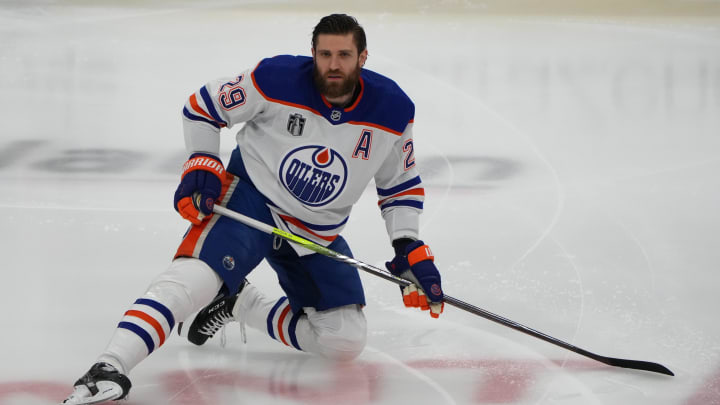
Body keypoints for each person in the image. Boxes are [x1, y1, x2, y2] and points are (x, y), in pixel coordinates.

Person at [61, 13, 443, 405]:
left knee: (344, 340)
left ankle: (239, 303)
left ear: (363, 57)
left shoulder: (393, 111)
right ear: (312, 54)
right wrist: (202, 162)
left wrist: (407, 245)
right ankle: (109, 366)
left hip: (314, 231)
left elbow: (399, 185)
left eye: (344, 54)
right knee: (193, 279)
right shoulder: (275, 78)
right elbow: (203, 106)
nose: (333, 65)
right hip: (250, 202)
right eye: (325, 54)